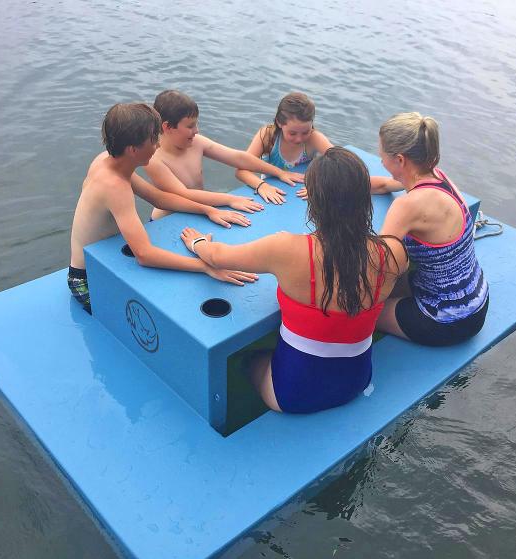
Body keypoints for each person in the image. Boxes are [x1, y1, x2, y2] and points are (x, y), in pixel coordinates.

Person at [180, 147, 408, 413]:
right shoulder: (393, 252)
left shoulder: (285, 249)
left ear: (314, 200)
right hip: (356, 382)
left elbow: (218, 256)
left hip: (294, 395)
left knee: (247, 359)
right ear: (364, 197)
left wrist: (197, 243)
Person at [68, 103, 258, 314]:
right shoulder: (114, 186)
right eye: (153, 140)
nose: (158, 145)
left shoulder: (108, 161)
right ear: (133, 150)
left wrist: (208, 210)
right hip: (87, 279)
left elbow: (158, 198)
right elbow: (145, 255)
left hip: (104, 261)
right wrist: (206, 266)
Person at [374, 112, 489, 346]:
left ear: (400, 159)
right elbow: (385, 184)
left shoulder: (407, 206)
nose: (380, 161)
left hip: (444, 320)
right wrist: (338, 185)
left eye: (382, 156)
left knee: (358, 309)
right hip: (476, 300)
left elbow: (377, 265)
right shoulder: (438, 177)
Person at [144, 90, 305, 221]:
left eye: (196, 124)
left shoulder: (196, 142)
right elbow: (184, 194)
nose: (197, 130)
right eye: (190, 126)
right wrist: (230, 199)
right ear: (167, 127)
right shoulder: (155, 159)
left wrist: (280, 173)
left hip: (200, 211)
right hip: (168, 219)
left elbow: (237, 157)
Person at [235, 92, 401, 204]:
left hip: (306, 193)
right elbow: (241, 170)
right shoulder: (267, 136)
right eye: (292, 133)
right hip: (272, 193)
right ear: (279, 123)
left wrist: (322, 185)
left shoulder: (314, 138)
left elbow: (341, 163)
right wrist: (261, 185)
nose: (299, 139)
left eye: (305, 132)